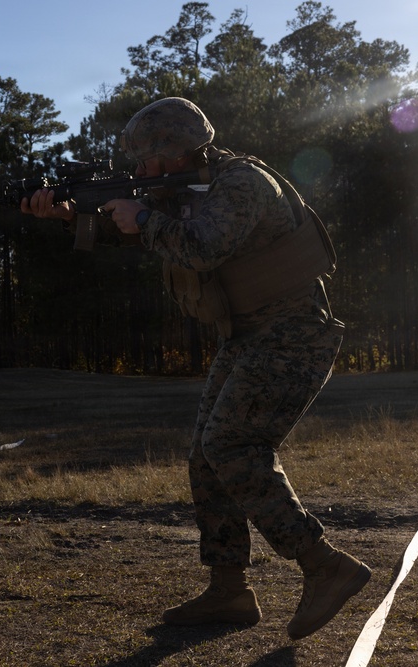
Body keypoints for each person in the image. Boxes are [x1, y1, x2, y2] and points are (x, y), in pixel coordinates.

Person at [20, 97, 370, 640]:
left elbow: (201, 247)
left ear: (178, 151)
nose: (138, 173)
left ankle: (325, 565)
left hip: (294, 332)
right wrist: (70, 214)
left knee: (232, 446)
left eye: (146, 160)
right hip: (249, 333)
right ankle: (229, 591)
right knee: (206, 457)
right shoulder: (186, 188)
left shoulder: (242, 184)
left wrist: (142, 218)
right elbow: (138, 228)